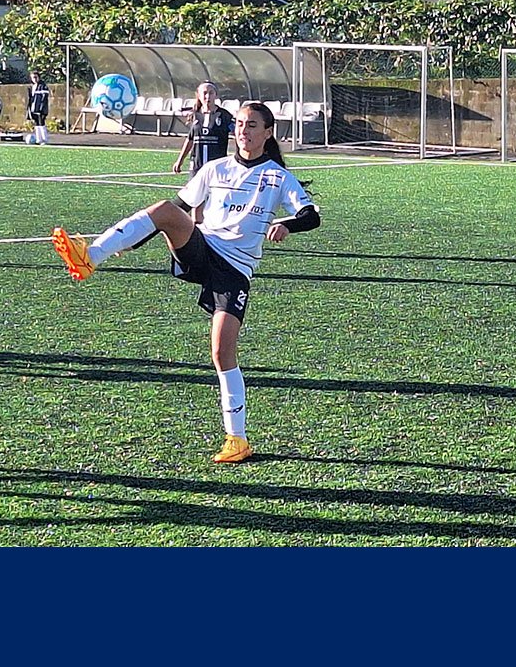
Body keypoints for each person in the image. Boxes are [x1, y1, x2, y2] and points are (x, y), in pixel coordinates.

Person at [51, 102, 320, 464]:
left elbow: (311, 215)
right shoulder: (214, 169)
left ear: (268, 132)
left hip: (234, 271)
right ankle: (91, 256)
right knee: (164, 208)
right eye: (239, 124)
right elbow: (174, 212)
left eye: (252, 125)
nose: (243, 131)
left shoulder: (276, 177)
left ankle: (236, 440)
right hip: (202, 249)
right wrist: (132, 242)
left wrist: (288, 224)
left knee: (222, 353)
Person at [172, 81, 233, 175]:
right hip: (197, 165)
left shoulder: (225, 115)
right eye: (204, 93)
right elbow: (190, 139)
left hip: (217, 167)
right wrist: (180, 161)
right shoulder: (195, 115)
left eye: (211, 93)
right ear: (199, 96)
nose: (207, 96)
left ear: (216, 95)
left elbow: (238, 134)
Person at [26, 72, 51, 145]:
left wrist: (41, 108)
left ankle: (44, 139)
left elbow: (44, 98)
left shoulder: (43, 86)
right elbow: (30, 99)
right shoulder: (31, 87)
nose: (35, 79)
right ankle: (38, 139)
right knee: (37, 124)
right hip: (33, 108)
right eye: (33, 77)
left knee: (41, 123)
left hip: (41, 109)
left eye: (36, 77)